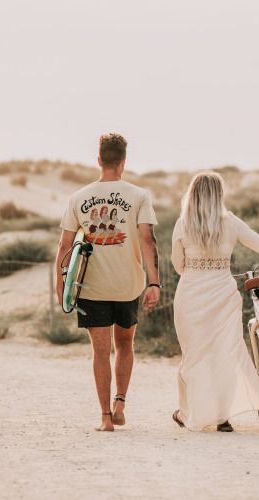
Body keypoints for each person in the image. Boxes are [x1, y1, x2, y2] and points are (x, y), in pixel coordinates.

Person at [171, 171, 259, 432]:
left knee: (194, 355)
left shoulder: (182, 224)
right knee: (225, 354)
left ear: (193, 194)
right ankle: (222, 418)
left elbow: (178, 265)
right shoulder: (230, 222)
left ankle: (187, 413)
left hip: (190, 296)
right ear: (219, 194)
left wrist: (197, 269)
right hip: (223, 295)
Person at [56, 133, 160, 432]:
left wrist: (61, 285)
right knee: (125, 344)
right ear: (123, 162)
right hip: (129, 285)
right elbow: (148, 239)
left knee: (100, 352)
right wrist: (154, 283)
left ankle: (105, 419)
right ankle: (120, 404)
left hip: (92, 287)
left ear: (99, 160)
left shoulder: (78, 197)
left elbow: (64, 246)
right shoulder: (139, 195)